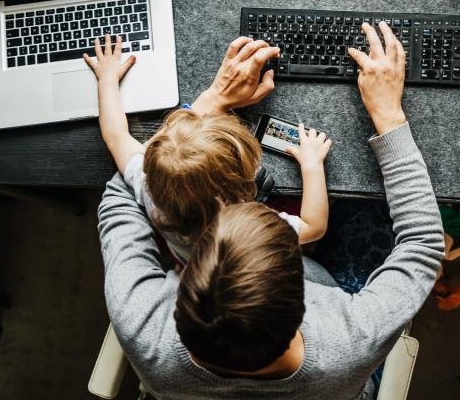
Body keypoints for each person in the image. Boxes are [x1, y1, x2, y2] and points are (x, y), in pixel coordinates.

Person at [97, 22, 445, 400]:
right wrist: (388, 115)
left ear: (180, 291)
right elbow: (424, 246)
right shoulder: (350, 339)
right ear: (304, 297)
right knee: (368, 217)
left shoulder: (140, 326)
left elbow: (121, 195)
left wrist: (207, 108)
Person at [84, 34, 332, 264]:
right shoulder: (249, 227)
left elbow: (116, 136)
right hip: (240, 259)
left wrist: (106, 80)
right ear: (244, 189)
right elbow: (313, 226)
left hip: (189, 258)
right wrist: (312, 165)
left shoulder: (149, 185)